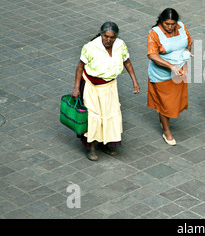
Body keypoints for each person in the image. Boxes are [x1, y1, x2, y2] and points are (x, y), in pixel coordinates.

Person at [72, 22, 140, 161]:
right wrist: (76, 88)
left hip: (109, 86)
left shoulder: (121, 45)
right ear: (101, 34)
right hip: (92, 86)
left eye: (112, 37)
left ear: (116, 37)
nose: (108, 40)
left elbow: (127, 62)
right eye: (105, 36)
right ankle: (90, 147)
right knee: (92, 116)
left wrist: (134, 81)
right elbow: (80, 68)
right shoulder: (90, 47)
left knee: (110, 114)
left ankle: (105, 143)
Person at [147, 8, 193, 146]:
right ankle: (166, 131)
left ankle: (163, 119)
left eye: (173, 24)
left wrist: (184, 60)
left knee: (174, 102)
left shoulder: (182, 26)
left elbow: (188, 44)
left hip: (178, 74)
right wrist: (170, 66)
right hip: (162, 75)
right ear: (161, 21)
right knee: (165, 104)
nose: (170, 27)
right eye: (167, 24)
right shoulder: (154, 33)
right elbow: (152, 55)